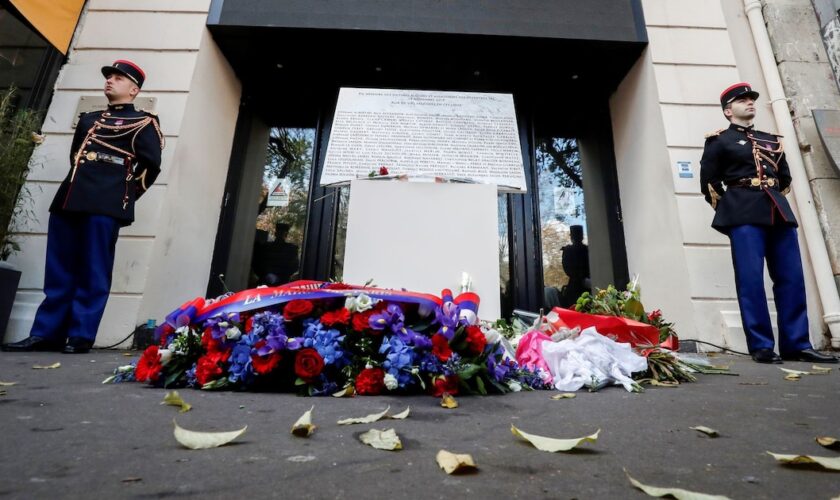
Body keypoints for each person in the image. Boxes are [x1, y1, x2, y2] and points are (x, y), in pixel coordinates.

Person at [2, 60, 164, 354]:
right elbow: (76, 157)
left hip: (106, 202)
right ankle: (46, 333)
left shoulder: (144, 122)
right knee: (59, 269)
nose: (110, 81)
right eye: (108, 77)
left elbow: (151, 167)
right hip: (71, 197)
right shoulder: (89, 119)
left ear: (134, 89)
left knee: (93, 270)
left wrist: (123, 197)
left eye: (117, 78)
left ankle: (80, 335)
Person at [700, 82, 836, 364]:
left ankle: (796, 344)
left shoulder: (771, 140)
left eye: (752, 99)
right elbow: (710, 183)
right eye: (743, 100)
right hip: (742, 213)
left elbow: (783, 179)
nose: (750, 103)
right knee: (750, 281)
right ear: (728, 111)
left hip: (778, 211)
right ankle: (761, 345)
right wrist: (733, 207)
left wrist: (769, 196)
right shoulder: (719, 141)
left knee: (791, 279)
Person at [559, 224, 590, 308]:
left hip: (578, 286)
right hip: (579, 286)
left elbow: (567, 268)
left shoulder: (569, 250)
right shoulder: (586, 250)